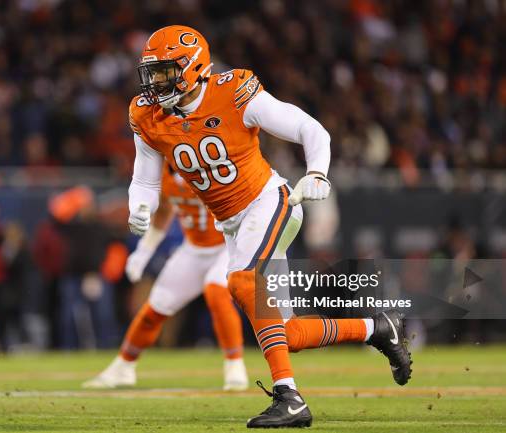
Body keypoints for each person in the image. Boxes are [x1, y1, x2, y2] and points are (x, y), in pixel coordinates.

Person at [127, 26, 412, 428]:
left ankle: (289, 397)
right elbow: (145, 177)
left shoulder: (234, 91)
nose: (155, 83)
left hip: (268, 201)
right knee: (288, 333)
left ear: (192, 68)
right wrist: (140, 203)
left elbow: (310, 129)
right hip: (232, 223)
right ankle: (378, 328)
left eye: (164, 72)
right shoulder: (147, 113)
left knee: (242, 281)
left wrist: (317, 172)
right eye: (152, 73)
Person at [83, 164, 248, 391]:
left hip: (227, 246)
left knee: (216, 292)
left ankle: (234, 364)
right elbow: (163, 212)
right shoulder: (163, 173)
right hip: (193, 249)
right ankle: (124, 367)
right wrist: (143, 252)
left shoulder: (212, 161)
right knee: (156, 307)